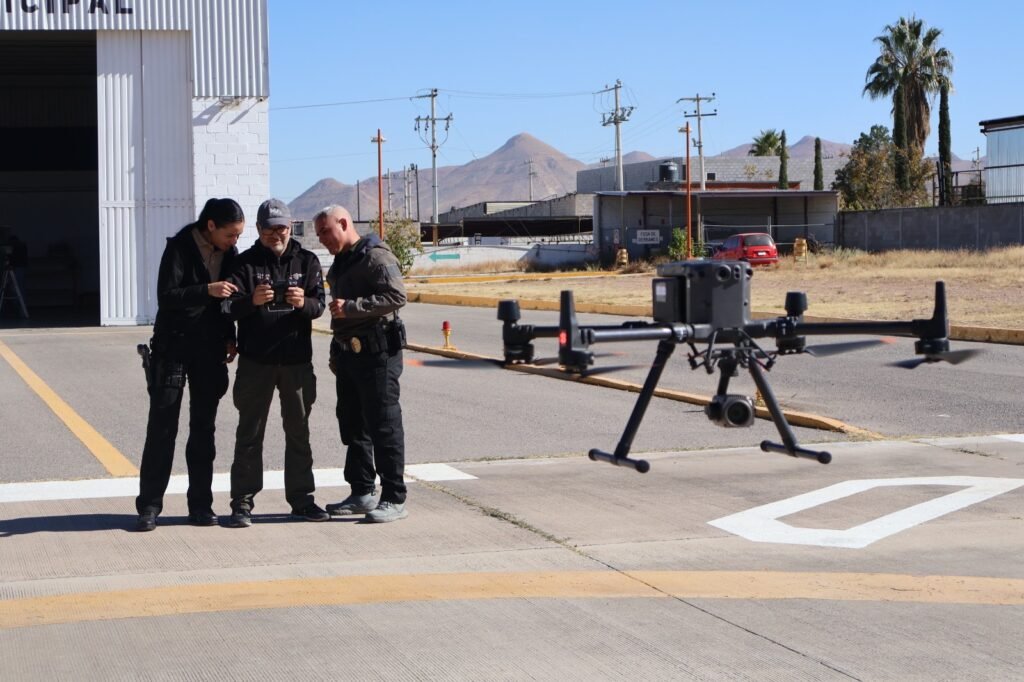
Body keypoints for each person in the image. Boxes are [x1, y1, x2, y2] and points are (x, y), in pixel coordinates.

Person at [134, 198, 244, 532]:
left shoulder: (230, 255)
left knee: (203, 429)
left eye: (238, 236)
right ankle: (149, 506)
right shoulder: (179, 248)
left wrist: (230, 336)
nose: (234, 241)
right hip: (173, 348)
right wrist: (206, 290)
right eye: (230, 234)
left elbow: (228, 302)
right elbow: (167, 297)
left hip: (209, 351)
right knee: (162, 427)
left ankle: (200, 505)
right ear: (210, 226)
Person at [223, 199, 328, 527]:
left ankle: (302, 499)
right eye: (268, 229)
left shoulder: (307, 261)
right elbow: (225, 308)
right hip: (256, 363)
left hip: (296, 362)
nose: (275, 234)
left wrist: (303, 302)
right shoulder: (244, 264)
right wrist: (250, 302)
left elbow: (319, 305)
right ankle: (242, 502)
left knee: (299, 432)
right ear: (258, 229)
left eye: (281, 228)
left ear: (290, 226)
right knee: (249, 433)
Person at [313, 205, 409, 523]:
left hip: (378, 353)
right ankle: (362, 492)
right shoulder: (343, 260)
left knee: (384, 425)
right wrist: (336, 349)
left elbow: (397, 296)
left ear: (343, 223)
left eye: (326, 231)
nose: (322, 239)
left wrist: (353, 307)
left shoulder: (375, 256)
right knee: (353, 425)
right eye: (319, 234)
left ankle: (394, 497)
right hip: (349, 354)